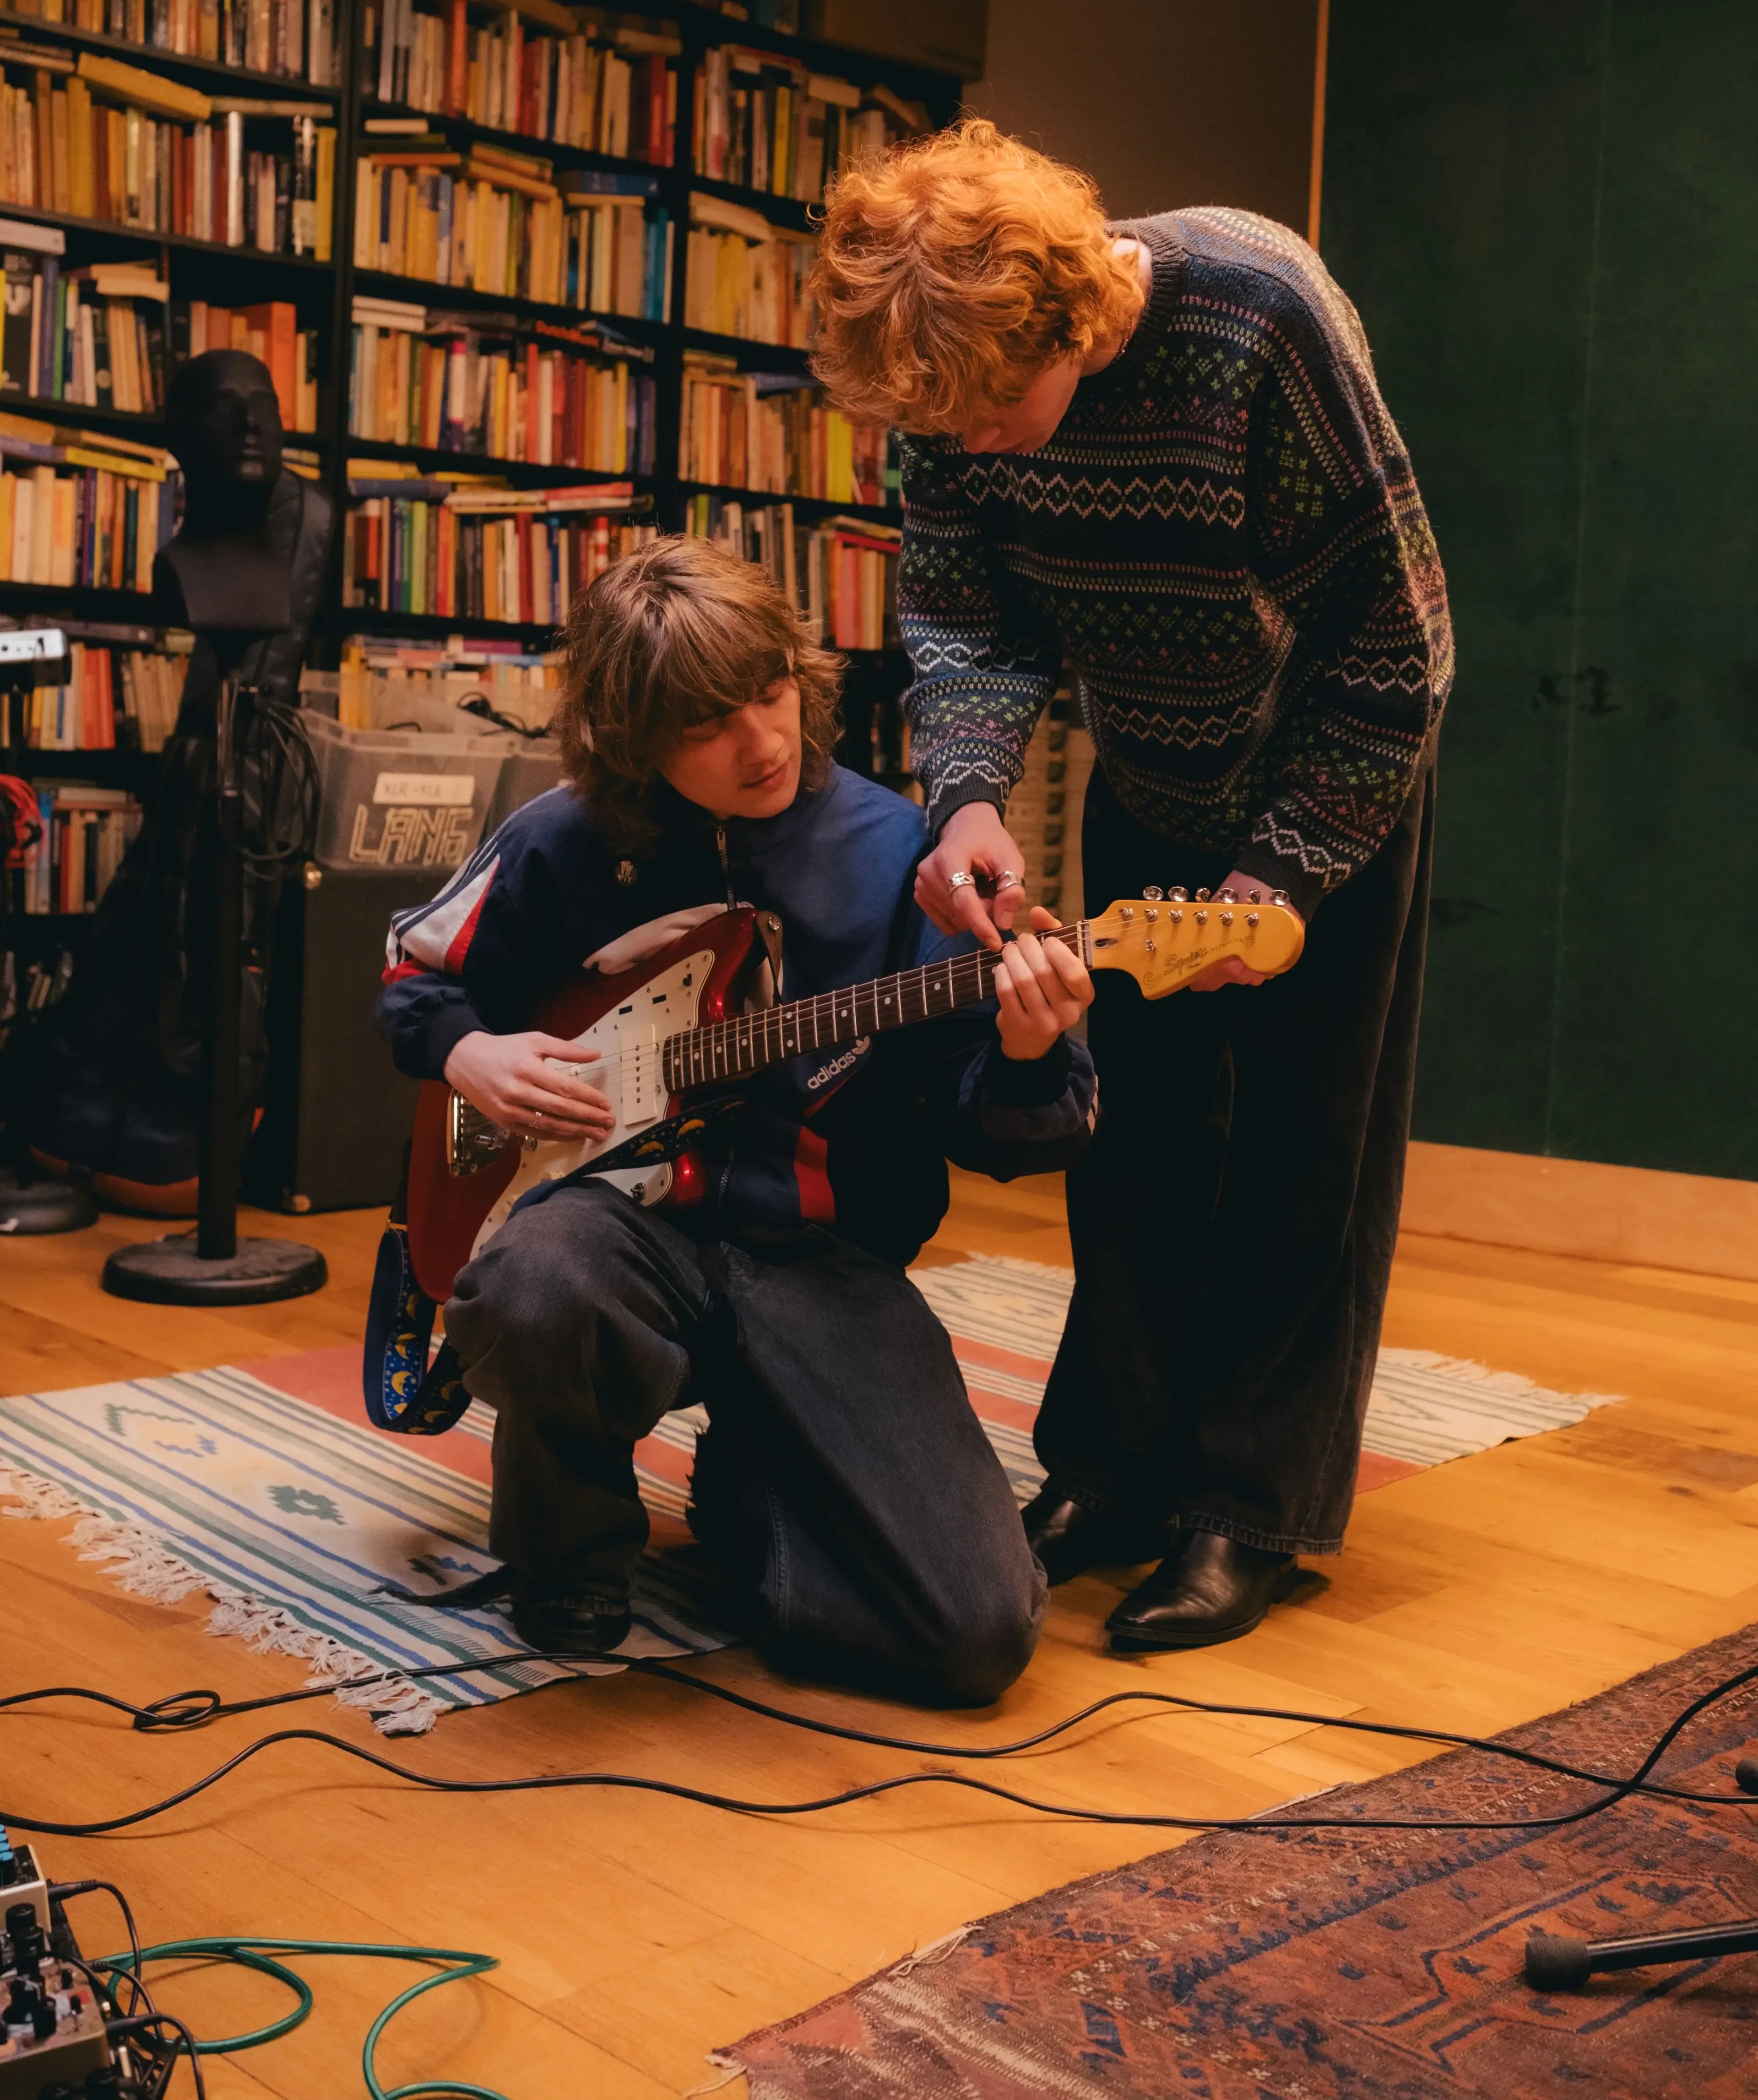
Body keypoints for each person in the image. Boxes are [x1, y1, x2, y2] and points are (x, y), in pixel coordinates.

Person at [809, 121, 1454, 1653]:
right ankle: (1107, 1469)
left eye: (998, 422)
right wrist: (965, 794)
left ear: (1076, 327)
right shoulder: (949, 377)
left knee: (1307, 1150)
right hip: (1153, 769)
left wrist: (1288, 869)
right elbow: (966, 613)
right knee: (1138, 1135)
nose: (975, 454)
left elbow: (1399, 640)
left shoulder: (1255, 323)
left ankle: (1248, 1509)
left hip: (1327, 779)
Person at [375, 536, 1097, 1706]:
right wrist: (473, 1051)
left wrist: (1028, 1046)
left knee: (974, 1637)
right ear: (631, 736)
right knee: (527, 1282)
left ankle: (750, 1486)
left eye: (769, 692)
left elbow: (1016, 1134)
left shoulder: (908, 858)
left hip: (823, 1259)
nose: (761, 741)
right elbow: (414, 975)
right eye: (707, 725)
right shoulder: (564, 837)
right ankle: (569, 1549)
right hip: (616, 1235)